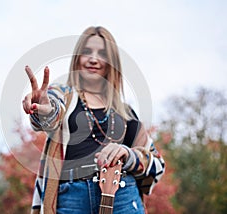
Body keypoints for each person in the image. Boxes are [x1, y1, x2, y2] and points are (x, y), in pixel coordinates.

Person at [22, 26, 165, 214]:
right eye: (87, 52)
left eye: (102, 53)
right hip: (71, 199)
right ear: (77, 59)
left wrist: (127, 154)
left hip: (122, 196)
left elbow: (157, 164)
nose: (93, 59)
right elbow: (51, 111)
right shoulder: (64, 96)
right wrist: (43, 110)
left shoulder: (125, 113)